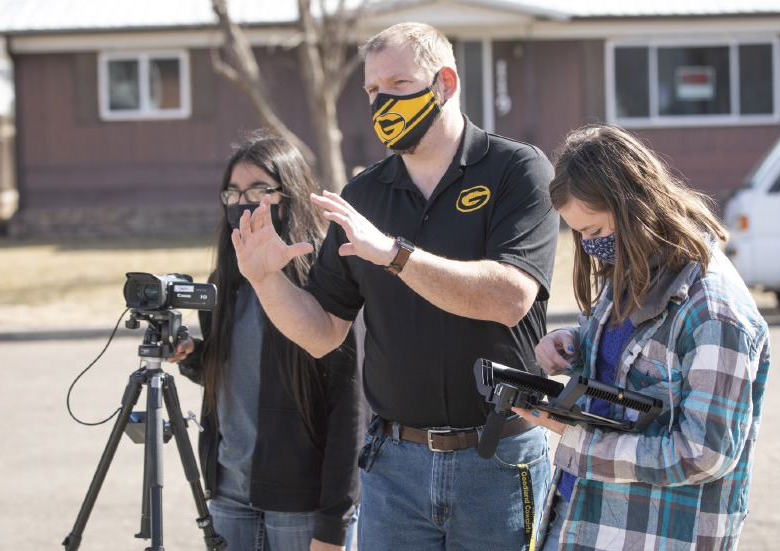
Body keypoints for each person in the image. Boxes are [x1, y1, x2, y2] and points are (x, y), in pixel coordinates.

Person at [230, 22, 561, 551]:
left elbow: (509, 298)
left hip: (498, 457)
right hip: (395, 466)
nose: (381, 101)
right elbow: (322, 333)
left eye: (398, 85)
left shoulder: (516, 170)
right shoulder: (362, 195)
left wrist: (393, 254)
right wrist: (265, 280)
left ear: (445, 84)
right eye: (371, 91)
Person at [516, 124, 770, 551]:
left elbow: (704, 453)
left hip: (652, 535)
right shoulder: (637, 266)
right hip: (578, 518)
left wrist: (574, 437)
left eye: (594, 232)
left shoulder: (715, 311)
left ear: (634, 206)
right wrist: (576, 344)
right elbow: (635, 355)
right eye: (577, 233)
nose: (587, 245)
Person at [169, 132, 368, 551]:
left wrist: (334, 525)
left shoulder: (329, 283)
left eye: (260, 190)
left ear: (290, 193)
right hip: (228, 493)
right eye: (234, 193)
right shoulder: (223, 284)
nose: (244, 203)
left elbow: (350, 411)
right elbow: (247, 375)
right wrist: (195, 356)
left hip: (302, 505)